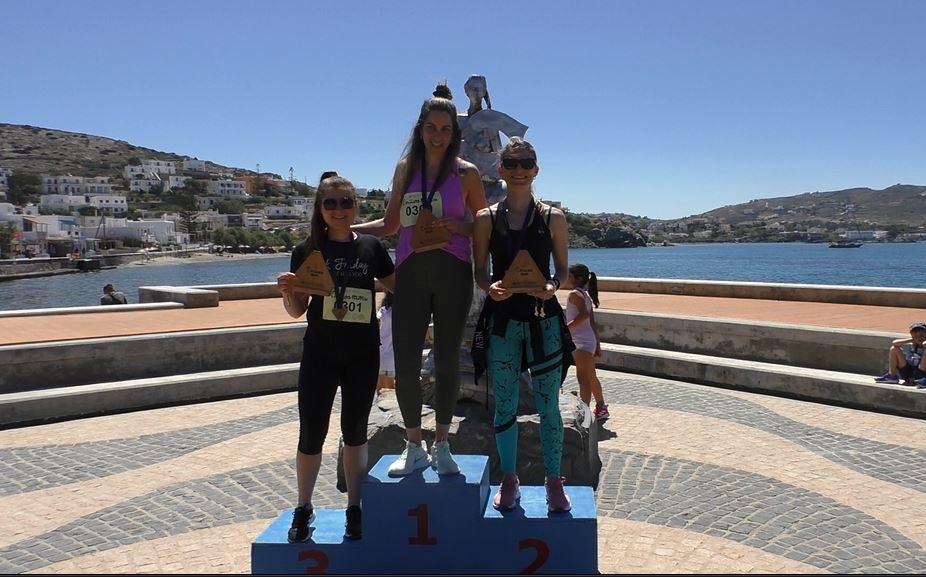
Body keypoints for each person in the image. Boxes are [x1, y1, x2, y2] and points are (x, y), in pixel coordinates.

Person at [353, 85, 487, 477]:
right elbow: (390, 224)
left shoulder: (467, 173)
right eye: (432, 127)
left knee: (446, 360)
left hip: (453, 272)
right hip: (411, 272)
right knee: (407, 362)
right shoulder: (406, 168)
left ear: (454, 132)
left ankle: (442, 444)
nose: (438, 135)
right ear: (420, 128)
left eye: (446, 129)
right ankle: (413, 445)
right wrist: (343, 231)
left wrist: (459, 227)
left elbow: (483, 224)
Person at [276, 172, 396, 543]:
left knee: (355, 431)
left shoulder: (372, 247)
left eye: (346, 202)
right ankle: (303, 506)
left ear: (355, 206)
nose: (339, 209)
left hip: (362, 354)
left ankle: (355, 507)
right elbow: (297, 310)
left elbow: (399, 286)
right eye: (330, 203)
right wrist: (287, 291)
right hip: (320, 353)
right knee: (311, 431)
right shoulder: (307, 250)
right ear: (320, 208)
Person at [472, 137, 572, 513]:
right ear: (501, 169)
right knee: (505, 405)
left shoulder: (553, 217)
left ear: (536, 169)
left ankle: (553, 480)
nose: (519, 170)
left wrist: (553, 286)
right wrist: (489, 287)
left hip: (543, 320)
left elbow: (562, 270)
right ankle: (509, 478)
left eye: (525, 163)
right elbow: (479, 272)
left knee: (549, 405)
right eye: (511, 164)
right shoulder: (485, 218)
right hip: (502, 320)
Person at [565, 263, 609, 420]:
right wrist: (597, 343)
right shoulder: (585, 295)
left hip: (582, 341)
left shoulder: (575, 294)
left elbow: (583, 315)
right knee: (590, 375)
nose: (567, 278)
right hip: (588, 340)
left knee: (582, 377)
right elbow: (591, 322)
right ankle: (601, 407)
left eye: (569, 275)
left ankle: (584, 413)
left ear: (577, 278)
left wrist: (566, 328)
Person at [874, 321, 926, 387]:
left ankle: (924, 380)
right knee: (894, 349)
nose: (919, 337)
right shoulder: (910, 344)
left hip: (922, 373)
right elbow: (894, 343)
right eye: (916, 334)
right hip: (909, 373)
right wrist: (912, 339)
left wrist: (922, 341)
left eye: (921, 334)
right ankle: (892, 376)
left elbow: (924, 344)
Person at [376, 290, 396, 392]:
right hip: (393, 356)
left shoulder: (382, 312)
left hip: (380, 353)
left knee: (380, 388)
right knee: (391, 388)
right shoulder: (399, 313)